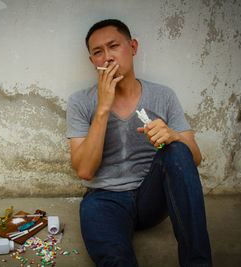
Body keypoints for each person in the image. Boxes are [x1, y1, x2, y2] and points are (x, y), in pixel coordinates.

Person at [66, 19, 212, 267]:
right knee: (116, 261)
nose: (108, 57)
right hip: (104, 200)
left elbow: (194, 158)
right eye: (98, 52)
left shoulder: (163, 95)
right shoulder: (81, 101)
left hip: (151, 198)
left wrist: (173, 136)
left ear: (132, 47)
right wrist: (103, 107)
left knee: (177, 150)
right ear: (92, 62)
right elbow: (85, 171)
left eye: (114, 46)